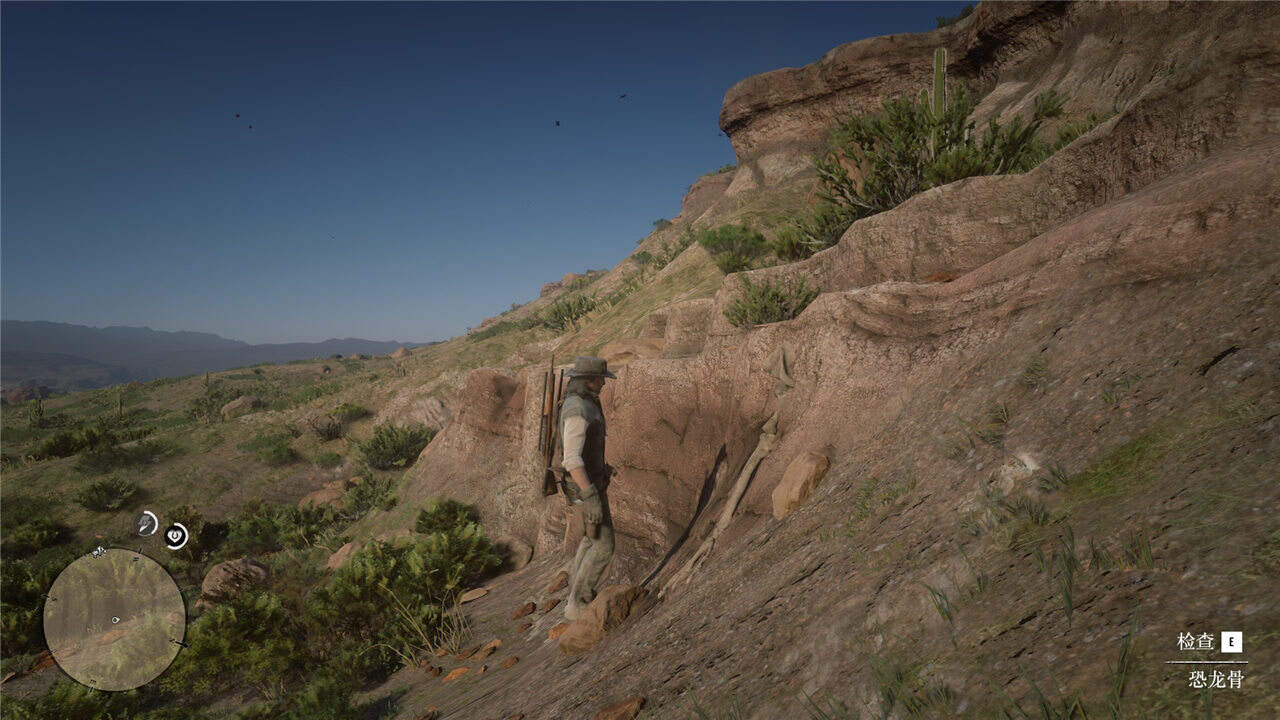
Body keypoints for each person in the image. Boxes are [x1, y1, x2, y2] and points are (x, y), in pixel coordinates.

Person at [558, 356, 617, 621]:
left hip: (587, 484)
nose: (604, 383)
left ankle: (574, 596)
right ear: (590, 380)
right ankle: (578, 605)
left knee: (589, 539)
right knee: (603, 546)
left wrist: (602, 468)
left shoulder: (582, 403)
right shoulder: (578, 409)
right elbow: (571, 459)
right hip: (584, 488)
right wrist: (591, 495)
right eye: (601, 379)